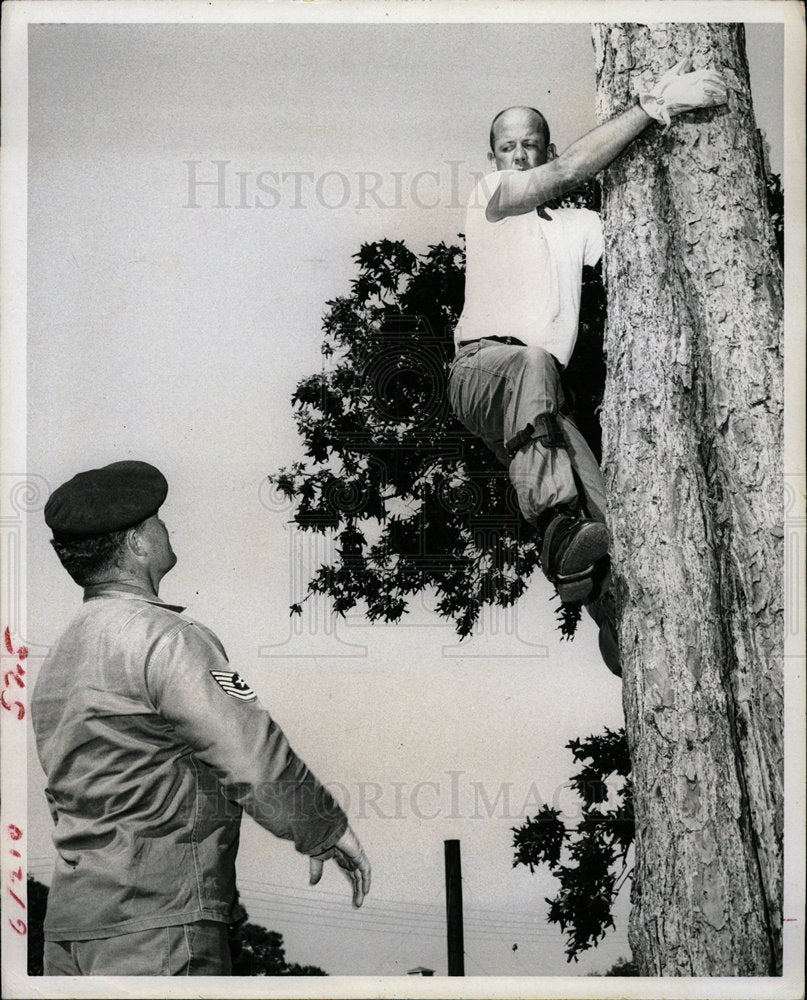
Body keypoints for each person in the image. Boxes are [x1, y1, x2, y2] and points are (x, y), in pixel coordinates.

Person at [31, 460, 371, 976]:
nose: (167, 527)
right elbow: (251, 751)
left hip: (71, 933)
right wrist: (323, 828)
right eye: (158, 520)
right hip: (158, 928)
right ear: (138, 544)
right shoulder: (167, 638)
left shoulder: (57, 659)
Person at [448, 59, 727, 673]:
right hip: (483, 370)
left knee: (599, 500)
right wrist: (657, 106)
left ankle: (618, 625)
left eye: (531, 145)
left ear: (544, 145)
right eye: (508, 147)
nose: (520, 156)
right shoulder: (492, 197)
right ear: (494, 158)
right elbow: (572, 170)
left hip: (537, 403)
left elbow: (645, 239)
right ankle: (555, 530)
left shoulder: (579, 226)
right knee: (531, 365)